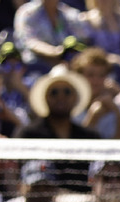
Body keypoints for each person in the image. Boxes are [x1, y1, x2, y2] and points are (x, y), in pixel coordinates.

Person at [16, 63, 101, 193]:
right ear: (45, 97)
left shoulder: (91, 138)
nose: (60, 97)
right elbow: (19, 179)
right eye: (54, 92)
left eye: (67, 92)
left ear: (75, 97)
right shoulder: (27, 134)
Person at [12, 0, 93, 68]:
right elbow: (29, 42)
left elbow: (84, 39)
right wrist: (56, 53)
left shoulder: (70, 13)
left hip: (69, 66)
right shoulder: (26, 13)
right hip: (36, 67)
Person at [71, 46, 120, 139]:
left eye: (101, 75)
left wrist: (116, 111)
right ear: (79, 75)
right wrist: (93, 117)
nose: (96, 80)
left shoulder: (114, 104)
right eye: (90, 75)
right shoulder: (69, 103)